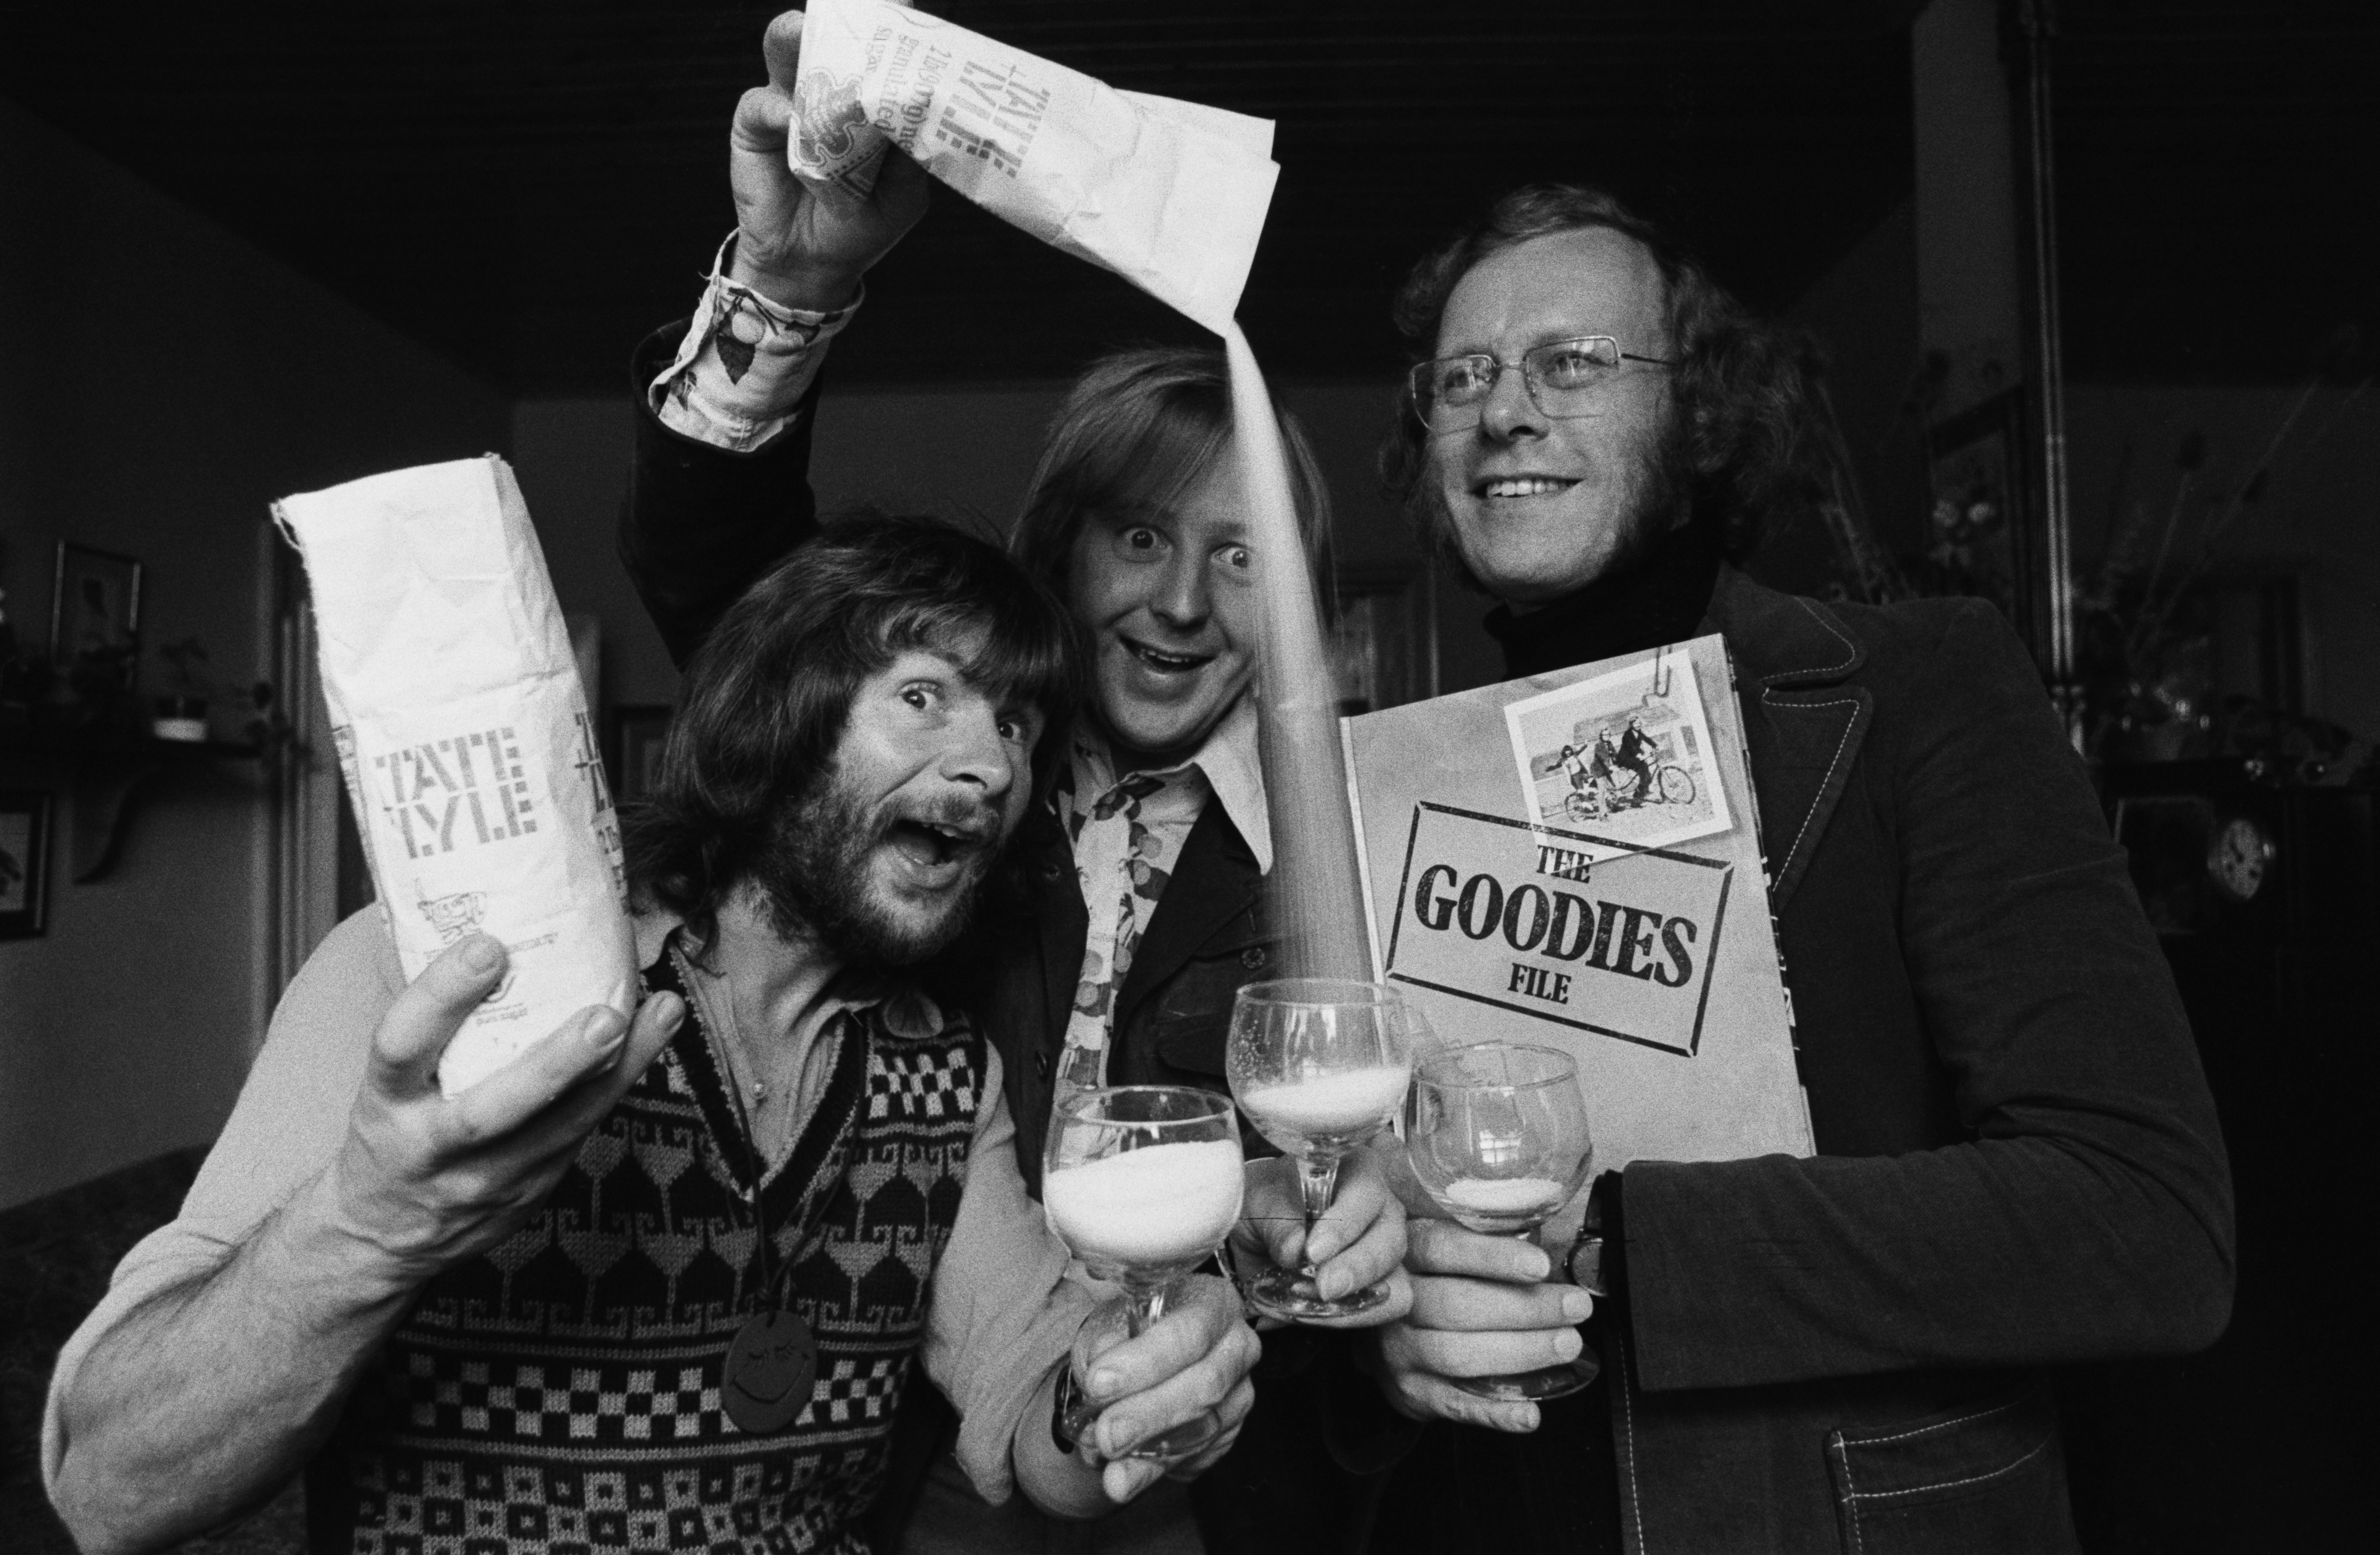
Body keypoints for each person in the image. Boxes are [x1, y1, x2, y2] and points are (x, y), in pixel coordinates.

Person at [43, 518, 1300, 1554]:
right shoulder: (438, 979)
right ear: (782, 715)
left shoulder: (937, 1066)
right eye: (924, 698)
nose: (987, 764)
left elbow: (1036, 1406)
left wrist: (1129, 1400)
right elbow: (109, 1491)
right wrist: (373, 1228)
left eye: (1019, 727)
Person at [616, 16, 1412, 1555]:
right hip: (899, 1461)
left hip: (1222, 1485)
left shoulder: (1359, 845)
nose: (1184, 604)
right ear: (1058, 544)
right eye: (1139, 539)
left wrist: (1340, 1221)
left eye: (1238, 555)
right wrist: (788, 294)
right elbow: (723, 582)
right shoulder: (933, 778)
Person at [1360, 183, 2235, 1552]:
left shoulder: (1919, 690)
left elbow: (2142, 1223)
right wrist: (1397, 1325)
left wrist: (1624, 1244)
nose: (1503, 411)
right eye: (1462, 374)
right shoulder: (1403, 781)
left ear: (1700, 413)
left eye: (1572, 363)